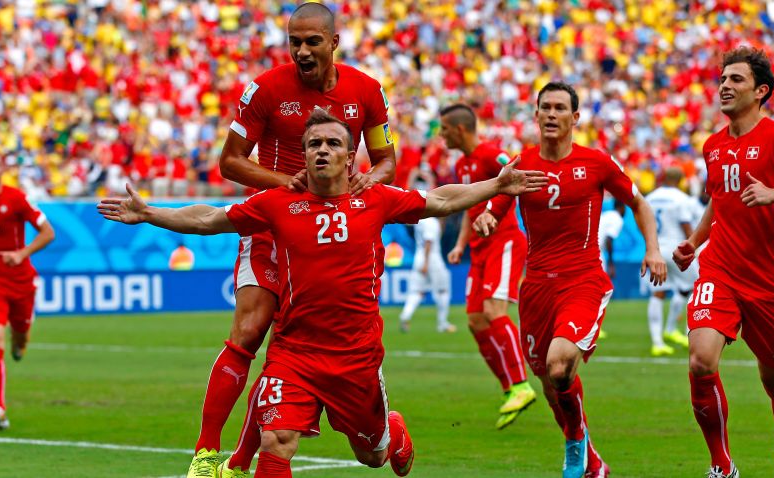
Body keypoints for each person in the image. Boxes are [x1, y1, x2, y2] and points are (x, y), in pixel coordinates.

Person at [99, 108, 548, 478]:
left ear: (351, 155)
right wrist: (150, 212)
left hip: (356, 357)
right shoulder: (277, 204)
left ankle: (393, 431)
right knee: (276, 441)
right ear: (304, 153)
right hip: (294, 352)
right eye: (314, 144)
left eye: (333, 143)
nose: (322, 150)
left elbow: (441, 200)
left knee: (371, 455)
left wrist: (497, 185)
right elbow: (209, 219)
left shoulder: (376, 200)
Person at [187, 4, 397, 476]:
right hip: (272, 224)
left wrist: (370, 181)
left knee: (293, 344)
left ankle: (242, 462)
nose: (302, 51)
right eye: (294, 42)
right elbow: (230, 162)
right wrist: (286, 186)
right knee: (250, 329)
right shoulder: (265, 89)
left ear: (333, 43)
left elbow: (386, 159)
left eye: (311, 42)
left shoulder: (366, 90)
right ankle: (206, 453)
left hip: (333, 231)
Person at [474, 82, 666, 478]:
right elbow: (496, 203)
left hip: (583, 280)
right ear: (536, 115)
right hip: (537, 287)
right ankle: (593, 463)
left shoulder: (597, 162)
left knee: (560, 366)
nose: (550, 114)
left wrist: (653, 249)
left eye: (560, 107)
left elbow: (639, 203)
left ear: (575, 117)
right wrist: (487, 216)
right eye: (544, 107)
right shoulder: (521, 164)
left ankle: (575, 442)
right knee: (548, 382)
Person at [673, 47, 774, 478]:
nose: (724, 86)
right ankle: (722, 465)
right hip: (720, 269)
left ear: (761, 91)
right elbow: (719, 199)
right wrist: (695, 242)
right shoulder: (713, 146)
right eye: (722, 79)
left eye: (736, 79)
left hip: (772, 283)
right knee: (700, 360)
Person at [440, 104, 537, 430]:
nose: (441, 136)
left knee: (496, 311)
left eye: (444, 129)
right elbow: (470, 207)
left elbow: (513, 173)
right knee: (475, 320)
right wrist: (460, 244)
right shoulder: (463, 164)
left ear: (460, 130)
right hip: (479, 249)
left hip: (504, 241)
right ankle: (510, 387)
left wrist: (493, 213)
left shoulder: (489, 154)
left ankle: (522, 386)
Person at [0, 148, 56, 430]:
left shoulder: (16, 198)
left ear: (2, 169)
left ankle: (20, 344)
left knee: (19, 337)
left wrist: (22, 253)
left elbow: (48, 232)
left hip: (21, 280)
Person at [644, 167, 696, 356]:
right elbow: (686, 226)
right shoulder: (681, 199)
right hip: (676, 250)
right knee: (693, 288)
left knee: (657, 293)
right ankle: (684, 332)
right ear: (681, 180)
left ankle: (658, 342)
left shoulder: (650, 197)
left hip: (656, 249)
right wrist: (695, 246)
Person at [399, 165, 454, 333]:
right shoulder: (430, 221)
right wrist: (427, 263)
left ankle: (405, 316)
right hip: (431, 259)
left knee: (416, 291)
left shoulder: (421, 220)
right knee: (443, 290)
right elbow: (430, 242)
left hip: (419, 256)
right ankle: (442, 323)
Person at [595, 199, 625, 340]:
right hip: (596, 253)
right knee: (598, 291)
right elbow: (608, 240)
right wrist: (612, 263)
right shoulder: (617, 218)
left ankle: (592, 326)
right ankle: (593, 327)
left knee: (595, 290)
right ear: (621, 207)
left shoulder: (606, 215)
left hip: (591, 249)